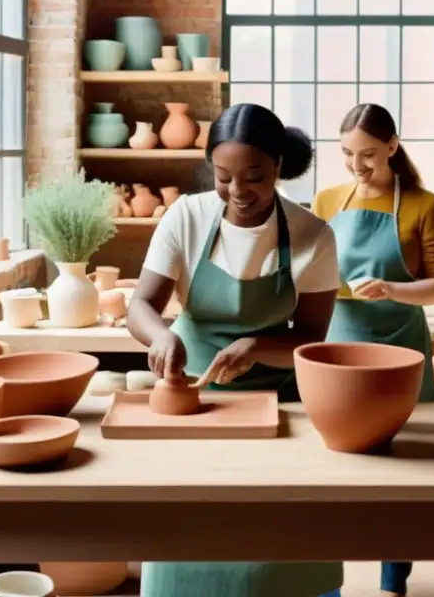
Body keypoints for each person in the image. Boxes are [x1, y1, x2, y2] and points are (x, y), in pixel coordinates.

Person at [127, 103, 344, 597]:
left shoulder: (312, 234)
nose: (238, 192)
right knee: (187, 531)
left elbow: (312, 339)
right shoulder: (186, 215)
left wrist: (259, 345)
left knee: (282, 540)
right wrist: (161, 337)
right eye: (223, 177)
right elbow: (141, 304)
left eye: (255, 177)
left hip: (281, 400)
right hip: (193, 398)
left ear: (280, 169)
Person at [311, 103, 434, 597]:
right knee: (332, 472)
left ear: (393, 146)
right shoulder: (327, 200)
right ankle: (327, 580)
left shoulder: (422, 204)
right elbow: (314, 273)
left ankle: (395, 579)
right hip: (340, 345)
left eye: (368, 154)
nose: (357, 165)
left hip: (402, 347)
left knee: (405, 474)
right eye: (347, 153)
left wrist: (393, 289)